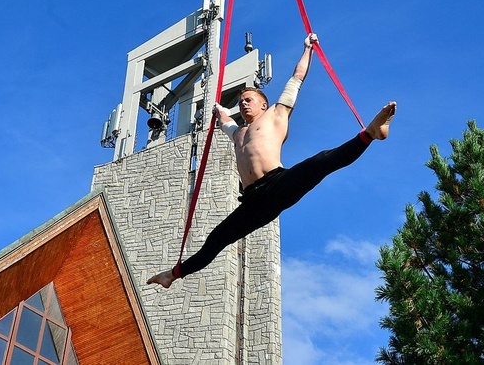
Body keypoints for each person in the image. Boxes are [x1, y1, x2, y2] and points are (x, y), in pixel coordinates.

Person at [147, 33, 396, 288]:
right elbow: (226, 121)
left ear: (263, 105)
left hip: (278, 183)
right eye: (241, 101)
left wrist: (307, 49)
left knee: (321, 162)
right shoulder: (238, 133)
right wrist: (219, 111)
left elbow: (296, 78)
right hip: (253, 201)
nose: (243, 104)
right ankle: (173, 275)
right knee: (217, 238)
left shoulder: (277, 114)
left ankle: (370, 133)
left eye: (249, 100)